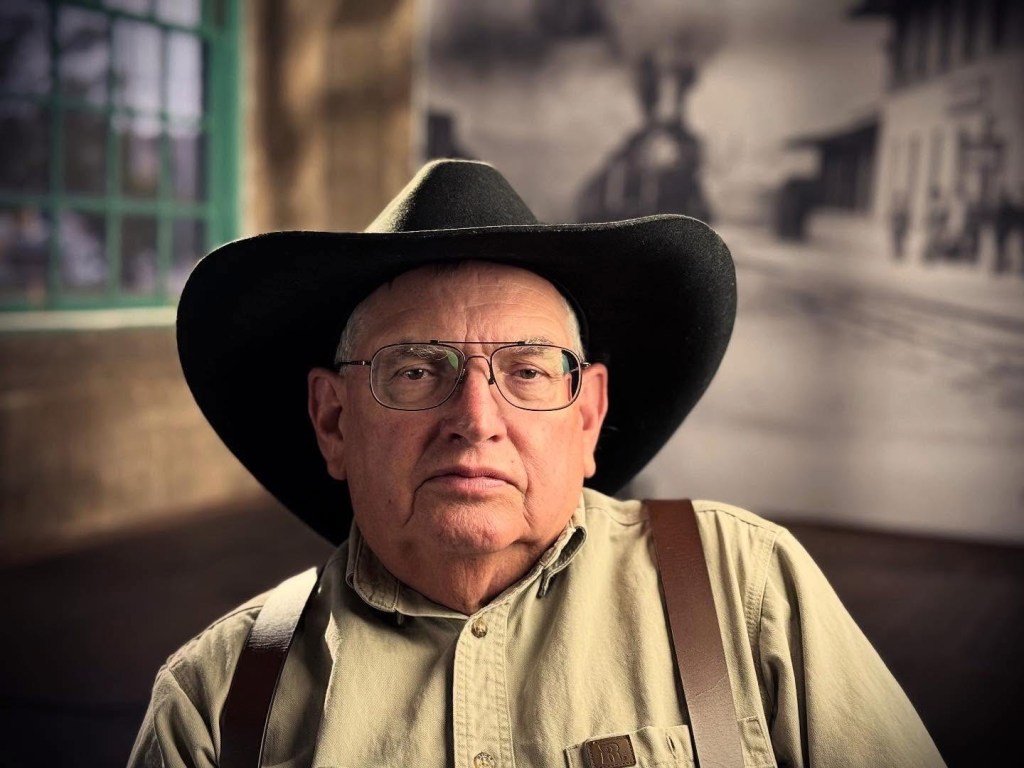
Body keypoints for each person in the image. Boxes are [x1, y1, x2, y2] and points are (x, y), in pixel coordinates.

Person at [128, 159, 945, 767]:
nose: (475, 421)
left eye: (526, 371)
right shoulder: (215, 700)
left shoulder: (746, 585)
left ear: (587, 417)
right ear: (334, 420)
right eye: (415, 371)